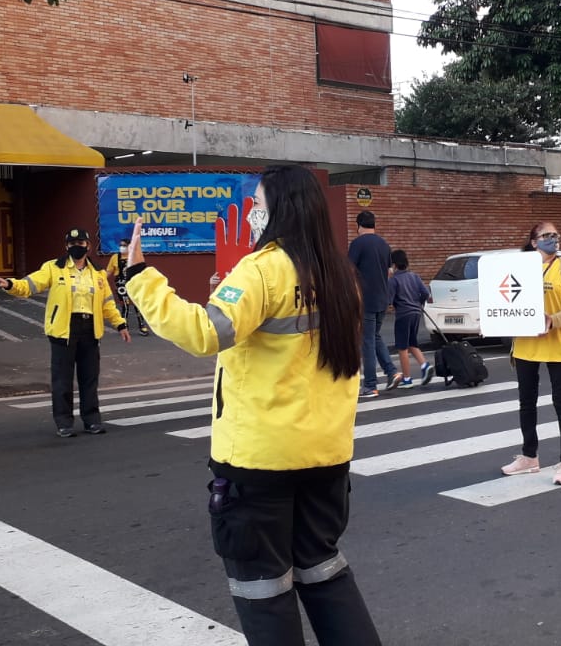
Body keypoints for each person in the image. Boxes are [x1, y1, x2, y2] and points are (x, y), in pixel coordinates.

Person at [122, 164, 383, 646]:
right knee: (323, 573)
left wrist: (140, 276)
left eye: (257, 206)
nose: (251, 216)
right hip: (325, 458)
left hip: (261, 463)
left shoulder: (262, 269)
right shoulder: (340, 274)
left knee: (263, 588)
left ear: (279, 211)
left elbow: (206, 333)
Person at [0, 228, 129, 437]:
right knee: (62, 380)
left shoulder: (98, 273)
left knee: (89, 379)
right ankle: (64, 423)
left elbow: (107, 303)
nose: (77, 247)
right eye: (73, 244)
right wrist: (10, 284)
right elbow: (30, 284)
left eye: (81, 243)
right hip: (63, 330)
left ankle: (92, 421)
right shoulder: (54, 268)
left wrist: (120, 324)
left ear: (88, 246)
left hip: (90, 329)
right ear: (66, 247)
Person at [501, 222, 561, 486]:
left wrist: (554, 319)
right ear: (534, 242)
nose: (553, 239)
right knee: (527, 401)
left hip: (559, 343)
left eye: (556, 234)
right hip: (527, 344)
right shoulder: (520, 267)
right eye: (547, 235)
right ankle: (529, 456)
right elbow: (505, 297)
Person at [348, 210, 400, 398]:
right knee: (375, 337)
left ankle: (370, 385)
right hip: (382, 298)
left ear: (359, 225)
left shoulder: (357, 244)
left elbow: (349, 271)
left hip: (366, 299)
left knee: (367, 341)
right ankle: (392, 371)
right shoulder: (384, 245)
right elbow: (389, 272)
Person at [388, 249, 433, 388]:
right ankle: (425, 365)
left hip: (403, 315)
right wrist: (417, 303)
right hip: (416, 313)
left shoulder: (394, 280)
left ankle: (407, 379)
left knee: (402, 348)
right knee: (412, 343)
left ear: (393, 264)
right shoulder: (414, 276)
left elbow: (389, 300)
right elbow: (426, 293)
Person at [106, 238, 150, 336]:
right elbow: (109, 271)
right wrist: (101, 280)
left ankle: (142, 326)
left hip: (134, 283)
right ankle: (124, 326)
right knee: (125, 305)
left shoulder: (135, 257)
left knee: (138, 305)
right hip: (121, 284)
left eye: (124, 245)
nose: (122, 247)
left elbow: (141, 271)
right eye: (121, 245)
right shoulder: (115, 257)